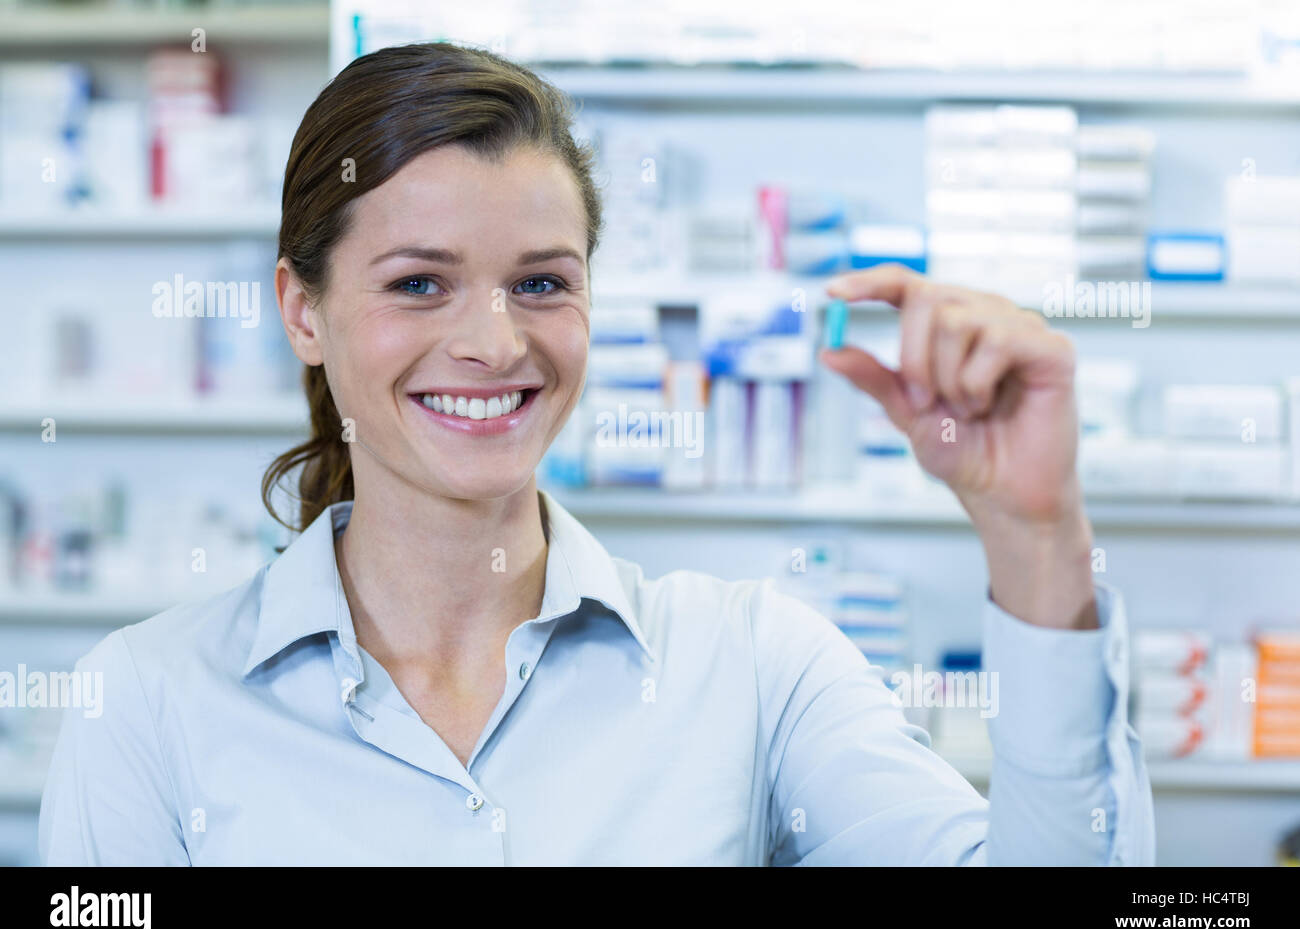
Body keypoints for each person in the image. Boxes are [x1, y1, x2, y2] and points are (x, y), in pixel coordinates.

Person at [39, 41, 1155, 865]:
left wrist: (1037, 539)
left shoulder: (755, 668)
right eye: (419, 282)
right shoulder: (147, 702)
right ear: (302, 310)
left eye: (541, 282)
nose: (493, 341)